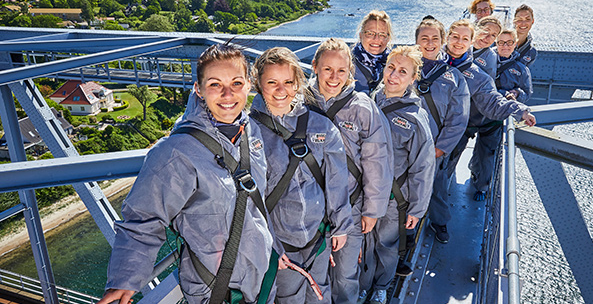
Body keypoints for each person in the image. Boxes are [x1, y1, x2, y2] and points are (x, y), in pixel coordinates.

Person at [98, 44, 274, 304]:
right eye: (215, 84)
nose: (227, 94)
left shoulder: (249, 132)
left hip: (261, 278)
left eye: (236, 83)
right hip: (217, 289)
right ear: (198, 89)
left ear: (249, 85)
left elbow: (255, 206)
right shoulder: (176, 151)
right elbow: (144, 218)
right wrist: (126, 279)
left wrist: (273, 251)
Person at [249, 47, 353, 304]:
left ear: (298, 84)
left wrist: (340, 226)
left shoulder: (319, 125)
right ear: (259, 84)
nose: (281, 90)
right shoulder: (250, 132)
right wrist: (271, 248)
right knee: (289, 298)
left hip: (318, 236)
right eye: (272, 82)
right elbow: (252, 201)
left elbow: (336, 179)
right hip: (283, 245)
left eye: (288, 82)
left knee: (321, 292)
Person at [430, 19, 536, 243]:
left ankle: (438, 222)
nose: (459, 42)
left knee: (439, 177)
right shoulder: (428, 60)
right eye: (455, 37)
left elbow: (493, 101)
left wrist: (520, 110)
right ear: (447, 36)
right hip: (423, 133)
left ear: (471, 42)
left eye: (465, 39)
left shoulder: (476, 75)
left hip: (448, 136)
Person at [308, 38, 394, 304]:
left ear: (350, 72)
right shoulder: (300, 101)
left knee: (345, 273)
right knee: (313, 274)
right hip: (308, 207)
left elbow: (377, 162)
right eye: (327, 69)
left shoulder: (363, 107)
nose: (334, 77)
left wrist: (373, 210)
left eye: (341, 71)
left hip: (350, 205)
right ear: (314, 67)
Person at [359, 45, 435, 304]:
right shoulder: (368, 101)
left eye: (403, 71)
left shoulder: (415, 118)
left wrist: (417, 209)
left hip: (395, 198)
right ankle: (363, 284)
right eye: (391, 67)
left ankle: (381, 285)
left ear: (413, 79)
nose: (393, 75)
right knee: (364, 242)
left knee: (386, 245)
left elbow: (423, 167)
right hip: (365, 191)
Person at [414, 16, 470, 245]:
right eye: (424, 38)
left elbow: (459, 118)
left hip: (434, 147)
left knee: (437, 186)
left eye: (434, 38)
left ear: (442, 41)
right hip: (403, 144)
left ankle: (439, 222)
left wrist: (441, 148)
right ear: (416, 41)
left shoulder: (454, 77)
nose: (429, 43)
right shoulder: (405, 68)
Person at [468, 29, 534, 201]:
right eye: (501, 42)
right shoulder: (485, 59)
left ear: (514, 45)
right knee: (455, 149)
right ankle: (458, 174)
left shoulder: (520, 69)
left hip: (494, 117)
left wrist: (517, 94)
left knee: (487, 152)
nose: (505, 46)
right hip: (472, 113)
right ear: (495, 44)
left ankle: (481, 185)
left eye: (509, 42)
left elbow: (527, 92)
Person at [352, 10, 394, 94]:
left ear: (388, 38)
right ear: (361, 35)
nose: (376, 39)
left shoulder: (396, 65)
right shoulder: (346, 63)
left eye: (382, 35)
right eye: (370, 33)